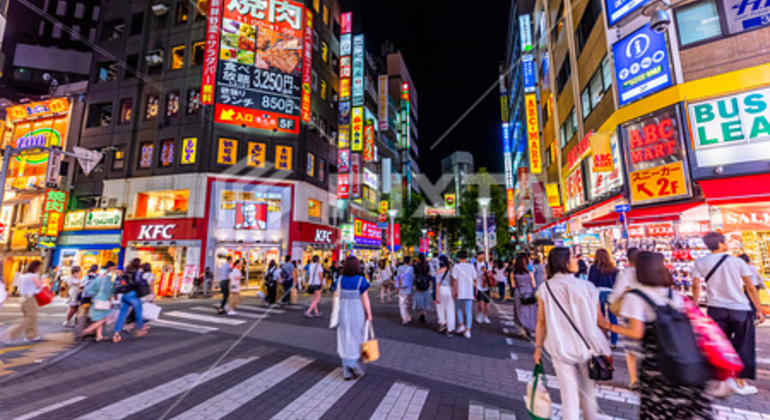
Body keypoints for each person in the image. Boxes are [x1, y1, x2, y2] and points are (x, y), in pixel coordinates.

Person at [609, 251, 712, 418]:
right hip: (685, 365)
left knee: (658, 412)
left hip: (657, 369)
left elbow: (635, 332)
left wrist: (608, 326)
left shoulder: (636, 297)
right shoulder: (674, 295)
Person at [534, 247, 611, 420]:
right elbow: (600, 321)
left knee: (569, 397)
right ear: (565, 262)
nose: (577, 260)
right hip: (587, 347)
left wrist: (538, 348)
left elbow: (541, 322)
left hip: (560, 347)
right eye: (573, 257)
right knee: (588, 394)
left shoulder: (546, 288)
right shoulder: (586, 287)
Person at [691, 232, 764, 395]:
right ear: (721, 244)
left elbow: (695, 285)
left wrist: (695, 306)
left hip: (716, 308)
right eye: (725, 241)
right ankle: (741, 383)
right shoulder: (737, 262)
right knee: (744, 344)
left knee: (719, 345)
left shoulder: (701, 262)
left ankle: (721, 381)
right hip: (740, 309)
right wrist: (758, 309)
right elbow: (750, 287)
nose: (727, 244)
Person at [334, 256, 373, 380]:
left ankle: (347, 372)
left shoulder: (339, 280)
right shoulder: (361, 280)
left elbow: (336, 298)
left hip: (342, 311)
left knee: (345, 340)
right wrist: (369, 314)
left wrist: (335, 314)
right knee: (357, 338)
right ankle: (353, 364)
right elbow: (365, 299)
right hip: (357, 311)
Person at [608, 247, 641, 390]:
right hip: (651, 314)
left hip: (632, 312)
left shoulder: (627, 273)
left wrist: (612, 303)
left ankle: (634, 380)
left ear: (628, 259)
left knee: (631, 350)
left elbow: (617, 293)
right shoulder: (649, 271)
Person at [2, 261, 44, 343]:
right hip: (30, 298)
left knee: (31, 317)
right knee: (30, 318)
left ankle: (31, 335)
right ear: (36, 267)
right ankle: (10, 333)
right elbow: (39, 286)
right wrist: (42, 282)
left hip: (22, 298)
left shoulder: (22, 276)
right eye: (39, 267)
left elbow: (18, 287)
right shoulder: (33, 276)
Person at [588, 248, 620, 348]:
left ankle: (602, 340)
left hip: (598, 293)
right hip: (611, 293)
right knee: (613, 318)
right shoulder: (613, 268)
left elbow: (591, 281)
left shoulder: (594, 268)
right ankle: (614, 341)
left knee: (600, 318)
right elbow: (617, 283)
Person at [80, 262, 118, 342]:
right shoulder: (107, 279)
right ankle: (87, 331)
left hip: (95, 299)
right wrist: (111, 298)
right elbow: (110, 290)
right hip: (103, 300)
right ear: (110, 267)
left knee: (98, 318)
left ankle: (99, 336)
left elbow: (90, 290)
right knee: (103, 318)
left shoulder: (97, 277)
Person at [113, 260, 147, 343]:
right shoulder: (137, 272)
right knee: (138, 311)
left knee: (122, 314)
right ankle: (140, 329)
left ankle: (116, 333)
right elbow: (139, 282)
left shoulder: (126, 272)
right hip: (133, 294)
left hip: (125, 294)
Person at [451, 250, 477, 339]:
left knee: (458, 308)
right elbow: (474, 279)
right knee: (469, 311)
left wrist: (454, 290)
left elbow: (455, 280)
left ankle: (461, 324)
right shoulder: (471, 267)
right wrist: (475, 289)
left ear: (458, 257)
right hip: (469, 291)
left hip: (459, 290)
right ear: (467, 257)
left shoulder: (456, 267)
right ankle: (468, 330)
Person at [512, 254, 538, 336]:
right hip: (528, 293)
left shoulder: (513, 273)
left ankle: (523, 329)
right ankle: (529, 329)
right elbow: (534, 285)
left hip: (518, 293)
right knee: (529, 312)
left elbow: (513, 285)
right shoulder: (530, 273)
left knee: (520, 311)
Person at [435, 255, 455, 336]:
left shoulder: (438, 272)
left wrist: (436, 296)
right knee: (450, 309)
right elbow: (454, 282)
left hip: (441, 290)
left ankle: (442, 323)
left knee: (440, 308)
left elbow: (437, 285)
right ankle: (450, 329)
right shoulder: (451, 271)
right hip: (450, 289)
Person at [412, 254, 433, 324]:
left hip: (418, 284)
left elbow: (414, 275)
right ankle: (424, 313)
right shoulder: (427, 265)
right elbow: (429, 274)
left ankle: (421, 312)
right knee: (425, 299)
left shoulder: (416, 266)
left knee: (419, 299)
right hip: (426, 284)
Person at [395, 256, 415, 325]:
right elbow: (412, 278)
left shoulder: (400, 268)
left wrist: (397, 288)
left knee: (402, 304)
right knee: (408, 303)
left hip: (401, 288)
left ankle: (404, 319)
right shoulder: (411, 268)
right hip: (408, 288)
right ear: (409, 261)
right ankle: (408, 316)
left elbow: (398, 278)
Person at [474, 252, 491, 325]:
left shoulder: (487, 264)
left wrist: (486, 271)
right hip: (478, 285)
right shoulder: (474, 264)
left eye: (484, 256)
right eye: (481, 255)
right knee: (480, 301)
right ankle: (480, 314)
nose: (483, 257)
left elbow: (490, 273)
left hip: (486, 285)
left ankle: (485, 316)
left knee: (487, 301)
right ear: (478, 256)